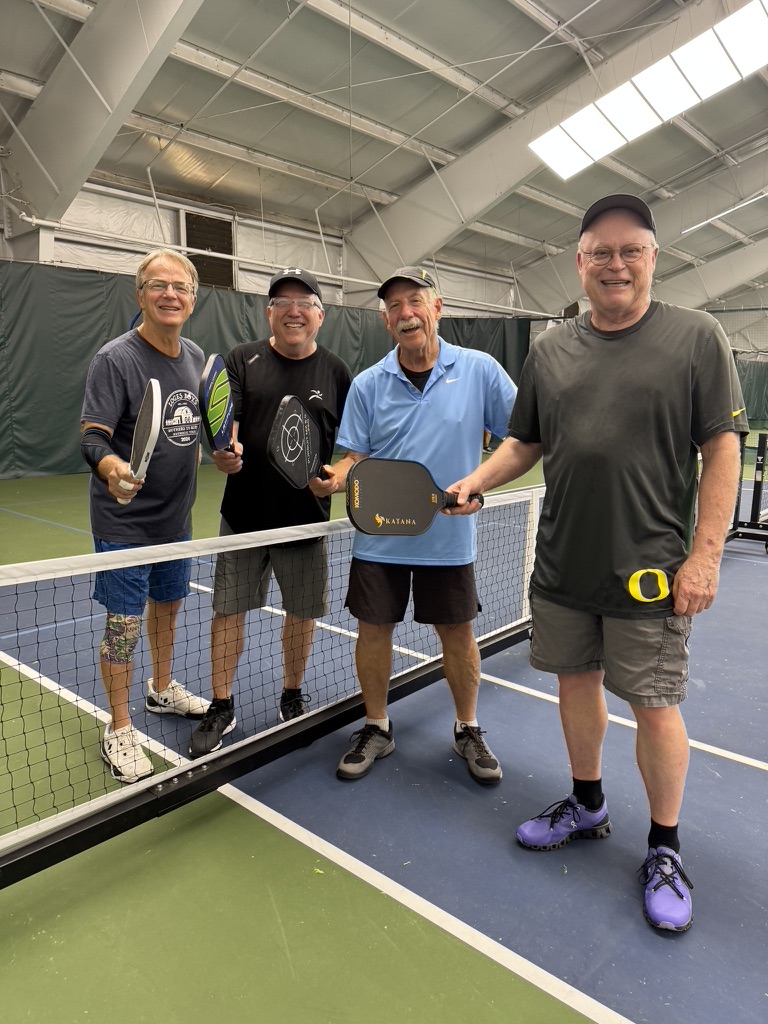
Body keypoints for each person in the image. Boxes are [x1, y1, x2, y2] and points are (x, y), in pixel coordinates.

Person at [448, 194, 748, 932]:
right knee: (574, 687)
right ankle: (586, 804)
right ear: (579, 263)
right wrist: (475, 483)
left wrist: (704, 556)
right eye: (600, 252)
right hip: (561, 570)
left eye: (631, 250)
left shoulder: (697, 337)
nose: (616, 264)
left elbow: (722, 450)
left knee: (654, 706)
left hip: (650, 571)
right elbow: (525, 442)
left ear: (653, 258)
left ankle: (666, 847)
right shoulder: (551, 349)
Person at [324, 266, 517, 784]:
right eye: (393, 307)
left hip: (448, 538)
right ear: (387, 322)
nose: (405, 312)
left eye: (415, 301)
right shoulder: (368, 383)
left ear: (437, 308)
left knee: (457, 633)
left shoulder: (479, 370)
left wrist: (479, 484)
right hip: (378, 538)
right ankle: (376, 725)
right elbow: (356, 456)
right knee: (373, 631)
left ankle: (468, 728)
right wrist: (334, 478)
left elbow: (521, 437)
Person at [189, 269, 351, 757]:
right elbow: (227, 422)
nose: (294, 310)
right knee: (227, 612)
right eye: (283, 301)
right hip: (243, 518)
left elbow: (358, 447)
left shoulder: (337, 371)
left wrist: (338, 475)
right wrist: (224, 451)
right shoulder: (244, 359)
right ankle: (221, 705)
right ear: (270, 314)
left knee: (302, 614)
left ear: (320, 316)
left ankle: (292, 693)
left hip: (305, 519)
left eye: (305, 302)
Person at [80, 248, 210, 784]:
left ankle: (160, 690)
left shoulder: (197, 356)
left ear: (193, 298)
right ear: (140, 295)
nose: (170, 295)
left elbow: (195, 430)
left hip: (175, 522)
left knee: (168, 610)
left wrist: (224, 451)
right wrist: (112, 469)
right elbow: (92, 436)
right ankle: (119, 726)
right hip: (125, 526)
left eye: (180, 287)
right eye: (158, 286)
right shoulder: (116, 359)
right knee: (122, 627)